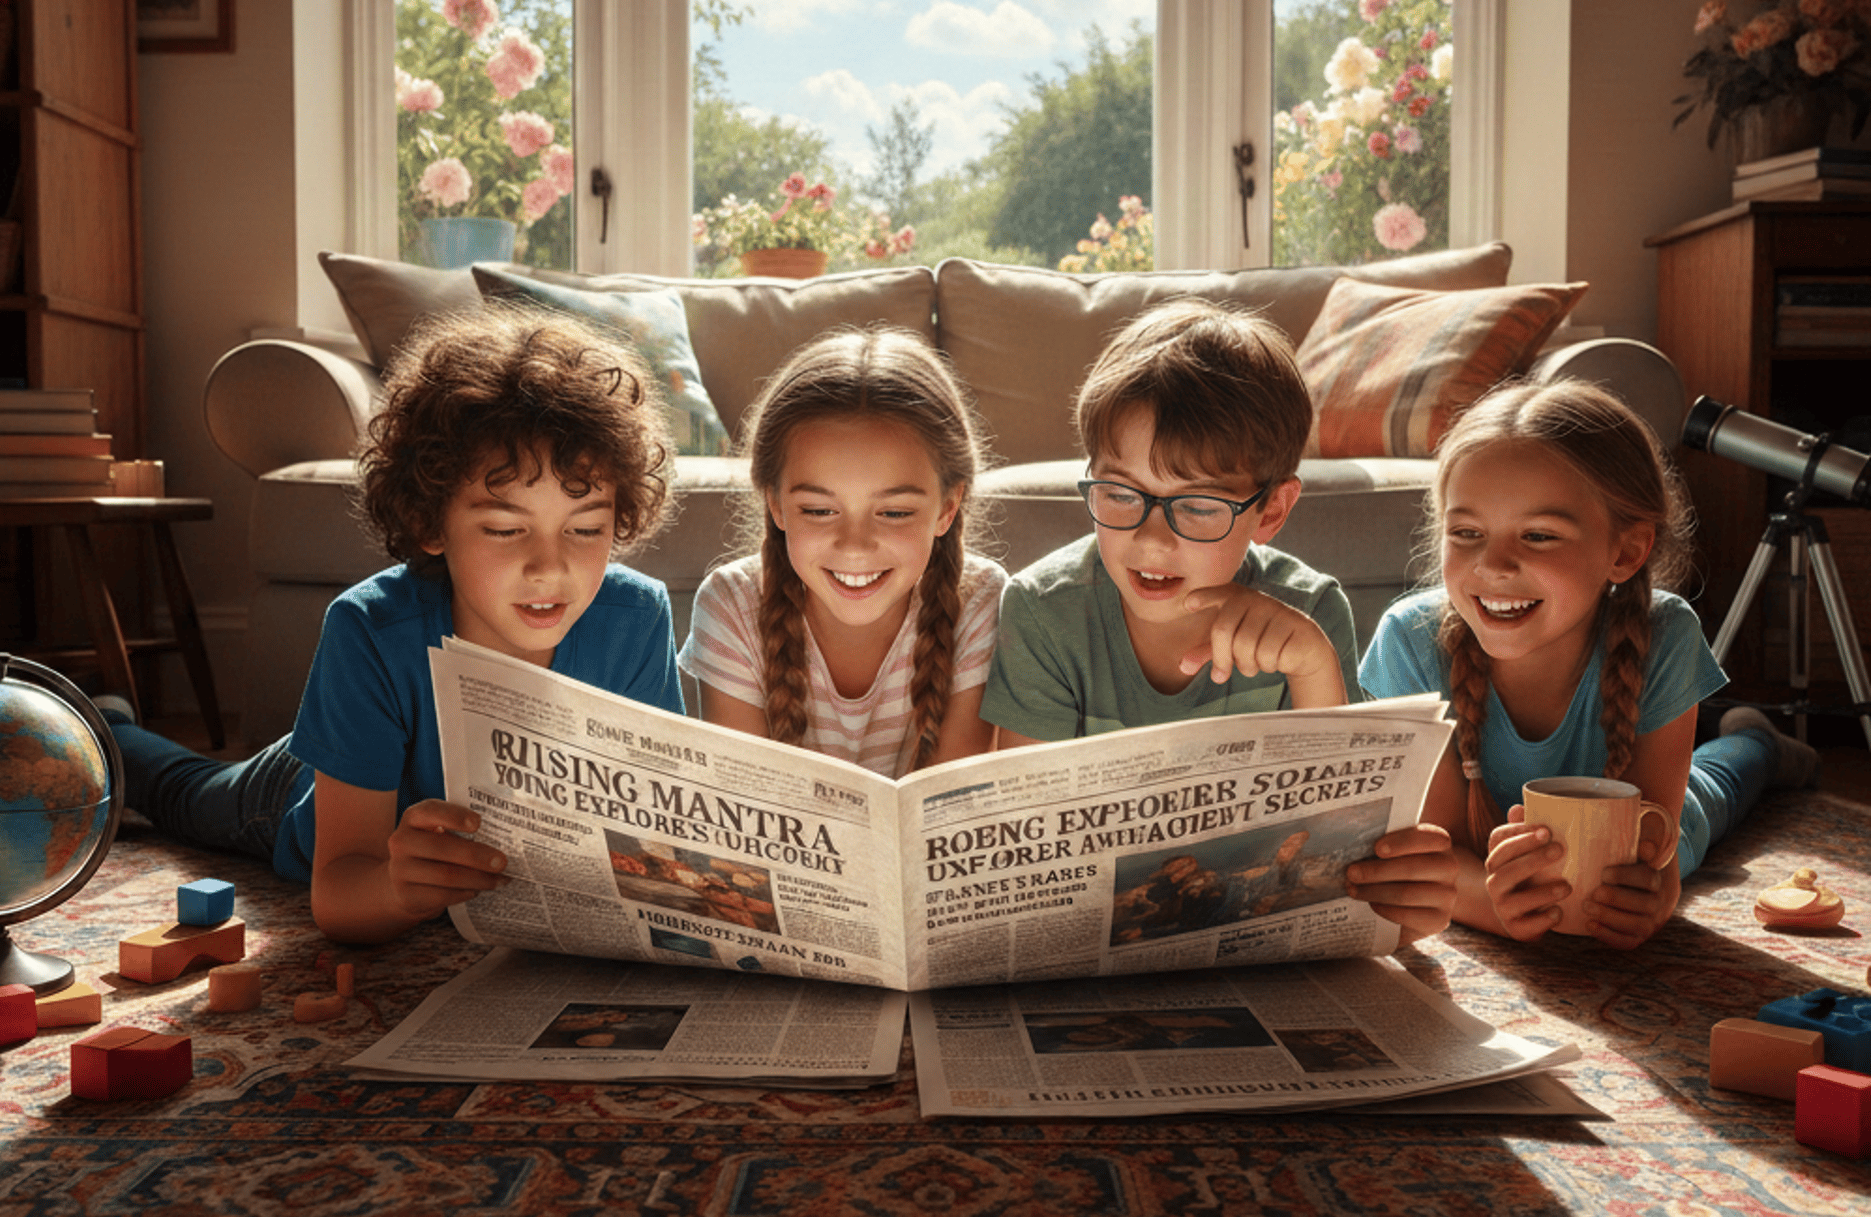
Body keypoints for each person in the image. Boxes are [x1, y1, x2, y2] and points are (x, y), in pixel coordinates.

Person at [101, 308, 685, 945]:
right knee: (188, 797)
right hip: (300, 794)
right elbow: (340, 894)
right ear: (432, 525)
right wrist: (397, 890)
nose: (550, 568)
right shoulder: (370, 629)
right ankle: (111, 729)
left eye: (586, 529)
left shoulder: (638, 617)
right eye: (504, 529)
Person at [983, 298, 1456, 942]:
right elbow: (1025, 837)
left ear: (1272, 510)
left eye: (1199, 506)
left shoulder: (1311, 612)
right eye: (1120, 493)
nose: (1151, 541)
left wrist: (1314, 664)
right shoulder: (1043, 610)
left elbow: (1337, 838)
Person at [1361, 377, 1819, 950]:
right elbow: (1437, 850)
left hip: (1657, 822)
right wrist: (1498, 908)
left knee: (1715, 791)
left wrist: (1657, 896)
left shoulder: (1665, 633)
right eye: (1467, 532)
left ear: (1625, 551)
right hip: (1488, 867)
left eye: (1538, 535)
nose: (1495, 565)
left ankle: (1760, 743)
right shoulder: (1409, 639)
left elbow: (1660, 856)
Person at [678, 326, 1005, 777]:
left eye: (893, 513)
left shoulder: (983, 600)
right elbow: (744, 808)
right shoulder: (732, 605)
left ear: (947, 508)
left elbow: (953, 810)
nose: (854, 547)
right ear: (775, 503)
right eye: (818, 509)